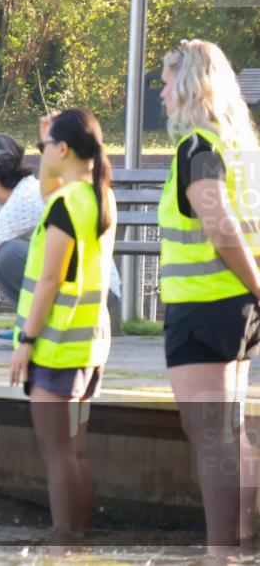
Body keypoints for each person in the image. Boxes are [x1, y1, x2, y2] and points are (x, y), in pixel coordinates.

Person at [157, 39, 259, 553]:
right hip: (235, 308)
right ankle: (238, 544)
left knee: (212, 439)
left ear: (191, 83)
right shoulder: (239, 145)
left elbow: (219, 227)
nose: (161, 90)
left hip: (205, 307)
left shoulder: (197, 147)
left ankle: (220, 552)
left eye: (167, 79)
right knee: (230, 433)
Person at [8, 109, 117, 538]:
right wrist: (44, 144)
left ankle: (64, 544)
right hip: (90, 347)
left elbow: (49, 280)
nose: (42, 152)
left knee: (57, 455)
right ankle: (80, 539)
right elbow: (49, 185)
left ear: (65, 149)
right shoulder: (97, 196)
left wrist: (26, 341)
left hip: (56, 347)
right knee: (76, 453)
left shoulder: (65, 207)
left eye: (47, 145)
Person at [0, 133, 123, 339]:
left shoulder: (23, 200)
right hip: (79, 295)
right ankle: (32, 323)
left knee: (8, 252)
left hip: (95, 302)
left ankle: (39, 326)